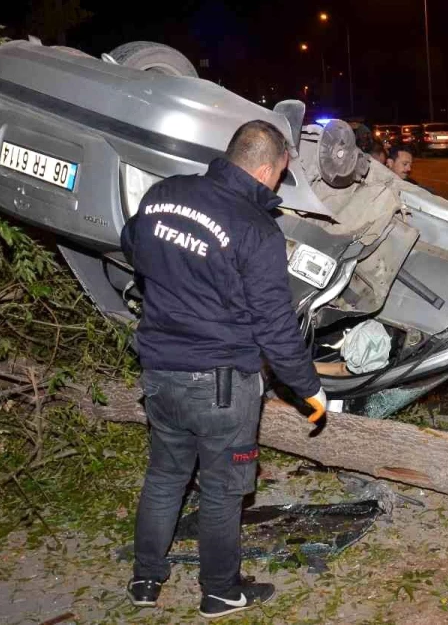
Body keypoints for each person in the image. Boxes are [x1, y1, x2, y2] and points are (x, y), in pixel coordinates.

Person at [121, 120, 327, 619]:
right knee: (221, 490)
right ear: (263, 169)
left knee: (165, 476)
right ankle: (219, 591)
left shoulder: (165, 194)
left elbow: (132, 247)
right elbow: (276, 328)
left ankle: (145, 579)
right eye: (279, 174)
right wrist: (309, 390)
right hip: (220, 385)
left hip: (160, 373)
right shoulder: (257, 230)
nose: (277, 184)